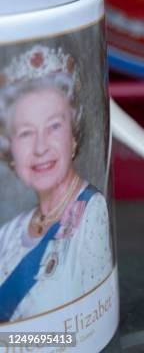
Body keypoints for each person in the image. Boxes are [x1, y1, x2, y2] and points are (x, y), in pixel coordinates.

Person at [0, 46, 112, 322]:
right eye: (26, 133)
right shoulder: (7, 234)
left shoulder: (92, 215)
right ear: (11, 152)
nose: (40, 148)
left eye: (54, 127)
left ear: (73, 137)